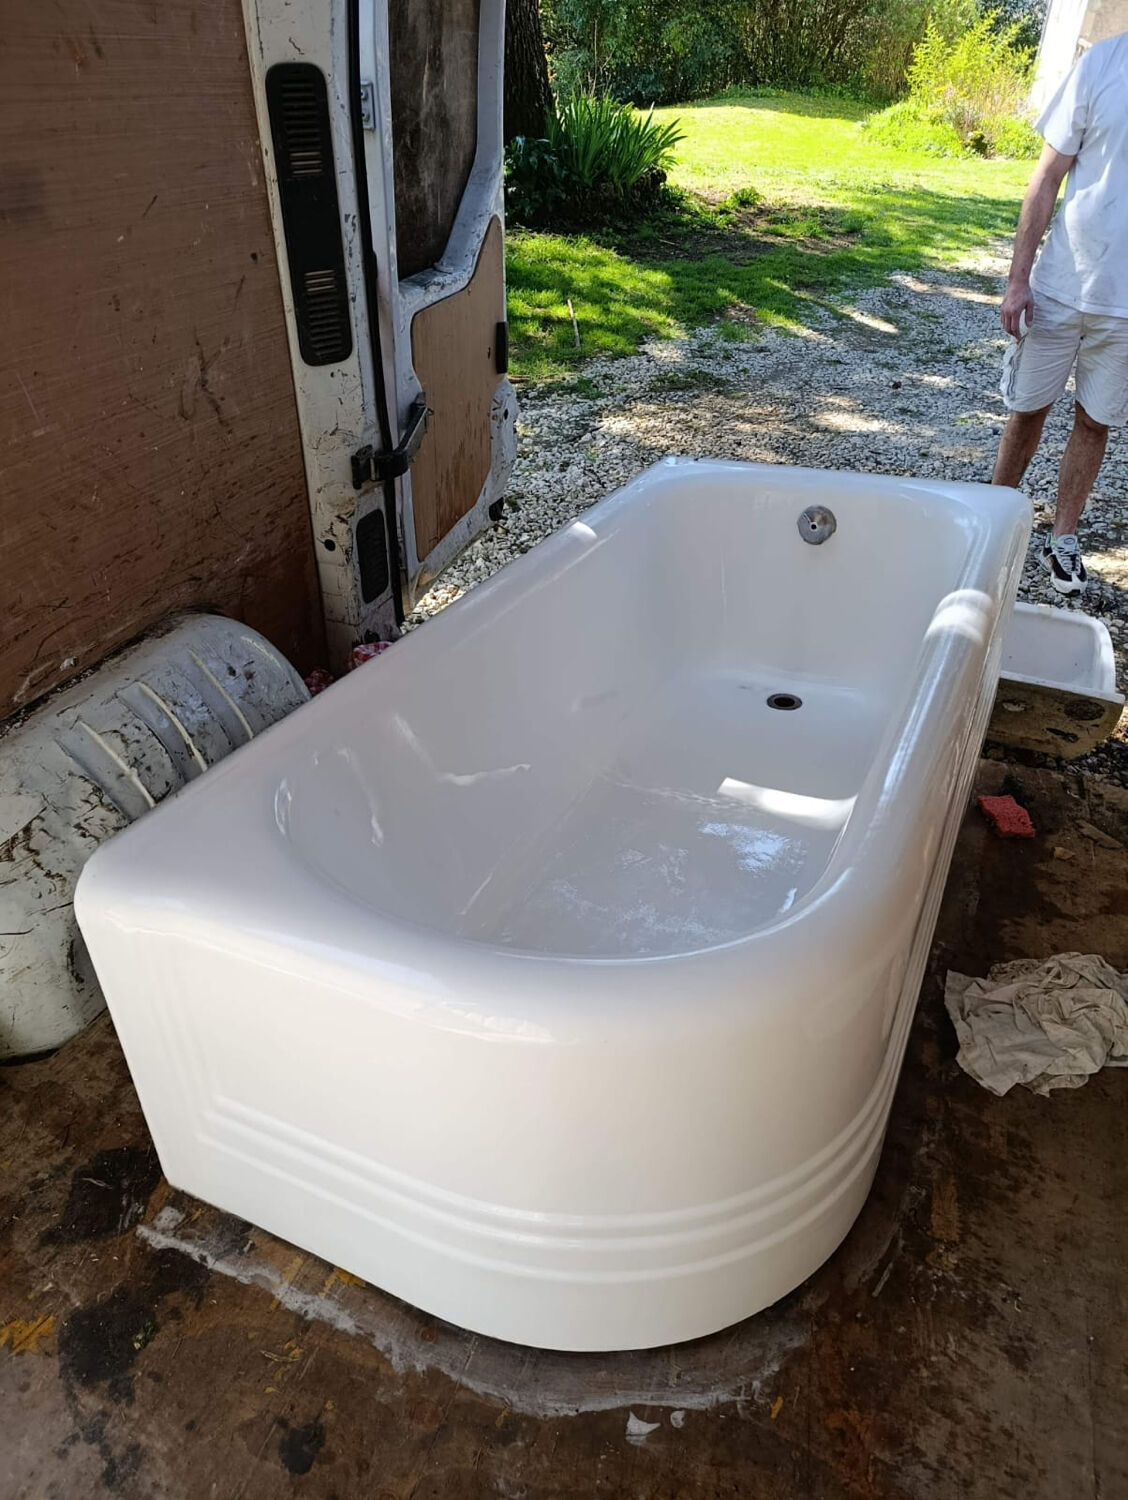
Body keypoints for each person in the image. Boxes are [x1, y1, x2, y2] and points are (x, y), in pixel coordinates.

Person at [992, 30, 1128, 596]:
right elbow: (1047, 176)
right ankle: (994, 518)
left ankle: (1062, 538)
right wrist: (1018, 280)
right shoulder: (1103, 62)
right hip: (1061, 285)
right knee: (1028, 410)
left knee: (1095, 423)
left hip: (1124, 313)